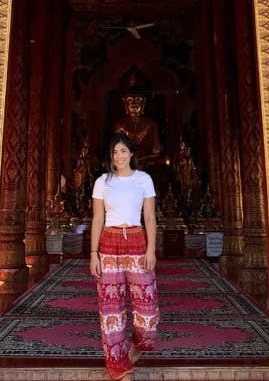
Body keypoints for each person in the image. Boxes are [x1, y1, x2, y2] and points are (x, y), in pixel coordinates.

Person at [90, 133, 159, 381]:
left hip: (138, 240)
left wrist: (151, 249)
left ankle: (138, 346)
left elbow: (150, 217)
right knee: (111, 309)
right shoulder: (102, 182)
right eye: (115, 152)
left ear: (131, 153)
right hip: (109, 241)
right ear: (111, 157)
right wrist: (93, 253)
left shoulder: (144, 180)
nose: (119, 156)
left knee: (147, 310)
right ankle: (118, 367)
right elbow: (97, 219)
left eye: (123, 151)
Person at [113, 90, 162, 165]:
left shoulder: (151, 124)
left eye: (138, 100)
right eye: (130, 100)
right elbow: (115, 150)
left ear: (143, 103)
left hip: (146, 163)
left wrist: (142, 157)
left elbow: (156, 151)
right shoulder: (120, 125)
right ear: (125, 103)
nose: (134, 103)